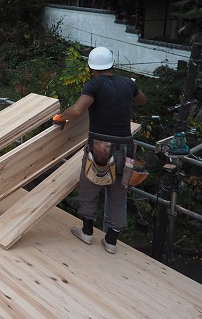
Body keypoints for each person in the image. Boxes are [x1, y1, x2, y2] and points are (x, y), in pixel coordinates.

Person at [52, 46, 146, 254]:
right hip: (126, 148)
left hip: (100, 148)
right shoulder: (127, 84)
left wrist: (61, 117)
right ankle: (111, 242)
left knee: (90, 186)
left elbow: (77, 109)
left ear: (91, 67)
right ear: (112, 64)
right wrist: (133, 87)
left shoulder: (94, 85)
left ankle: (86, 233)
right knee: (119, 190)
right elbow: (142, 100)